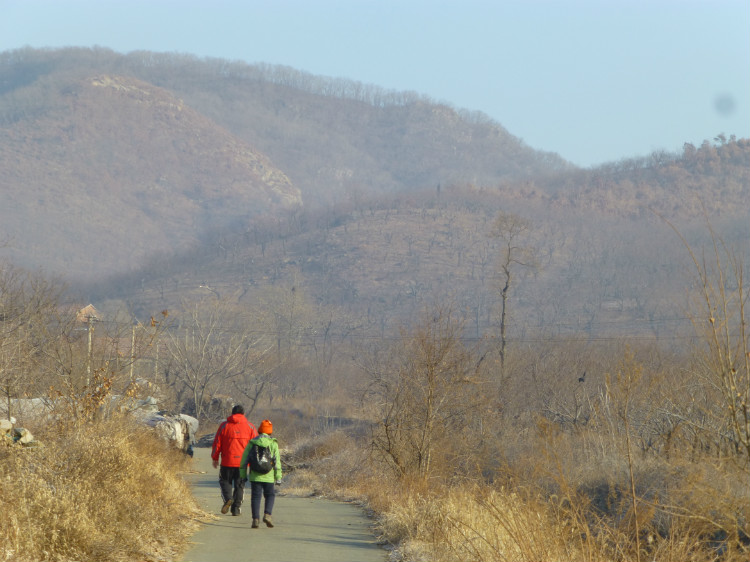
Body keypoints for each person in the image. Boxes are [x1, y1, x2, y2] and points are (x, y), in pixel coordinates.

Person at [211, 404, 257, 516]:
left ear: (232, 413)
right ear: (243, 414)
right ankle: (236, 509)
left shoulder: (224, 426)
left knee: (224, 481)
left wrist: (215, 457)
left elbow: (217, 443)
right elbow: (255, 446)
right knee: (239, 485)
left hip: (227, 461)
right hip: (242, 463)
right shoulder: (250, 427)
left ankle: (228, 499)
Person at [240, 419, 282, 528]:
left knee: (255, 497)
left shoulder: (252, 443)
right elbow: (277, 462)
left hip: (255, 476)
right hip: (269, 476)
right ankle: (267, 514)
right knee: (270, 495)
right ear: (270, 431)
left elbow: (244, 460)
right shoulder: (273, 444)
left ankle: (255, 519)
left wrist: (243, 475)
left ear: (259, 430)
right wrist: (278, 477)